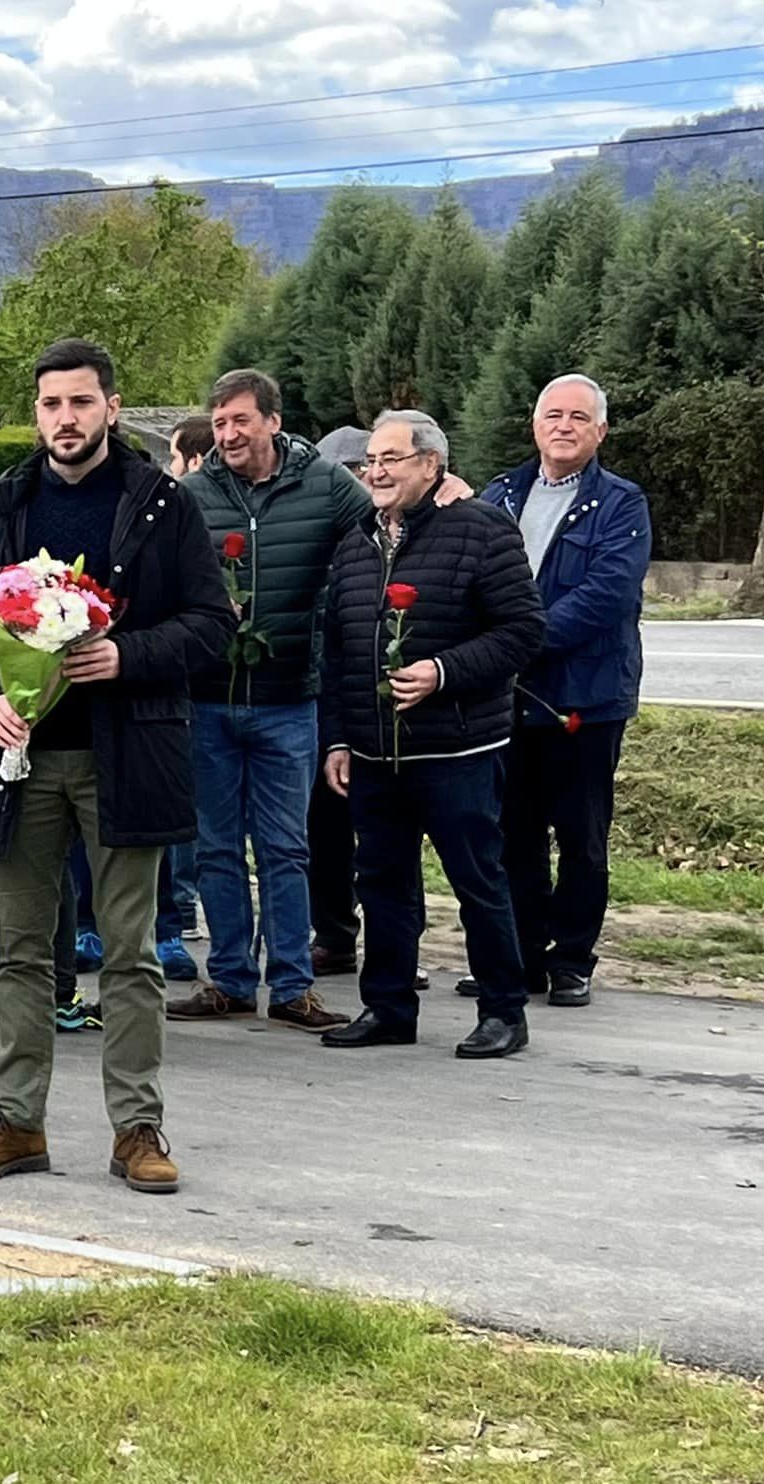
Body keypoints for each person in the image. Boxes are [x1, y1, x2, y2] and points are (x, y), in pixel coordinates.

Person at [0, 337, 233, 1195]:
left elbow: (212, 622)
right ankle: (18, 1122)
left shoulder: (161, 505)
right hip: (19, 762)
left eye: (80, 403)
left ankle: (137, 1127)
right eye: (51, 405)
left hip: (125, 758)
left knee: (131, 955)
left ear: (109, 406)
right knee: (24, 952)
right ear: (37, 414)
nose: (65, 418)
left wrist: (126, 656)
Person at [319, 409, 544, 1060]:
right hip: (372, 750)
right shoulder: (357, 538)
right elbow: (335, 651)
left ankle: (504, 1011)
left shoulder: (480, 529)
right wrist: (338, 738)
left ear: (431, 465)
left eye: (392, 458)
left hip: (457, 748)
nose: (376, 471)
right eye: (371, 461)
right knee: (381, 880)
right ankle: (387, 1007)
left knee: (477, 879)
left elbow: (522, 631)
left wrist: (443, 672)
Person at [172, 370, 362, 1035]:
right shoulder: (191, 494)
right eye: (219, 423)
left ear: (273, 423)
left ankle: (291, 986)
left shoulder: (327, 484)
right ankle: (227, 978)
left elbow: (378, 534)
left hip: (289, 699)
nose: (227, 434)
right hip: (210, 699)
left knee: (286, 847)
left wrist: (447, 496)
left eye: (240, 421)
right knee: (217, 848)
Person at [478, 374, 651, 1009]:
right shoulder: (498, 495)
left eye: (579, 417)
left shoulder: (622, 504)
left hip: (585, 697)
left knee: (580, 835)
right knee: (512, 831)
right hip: (507, 697)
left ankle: (572, 958)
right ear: (535, 424)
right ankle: (521, 957)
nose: (564, 426)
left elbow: (607, 595)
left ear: (600, 431)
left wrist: (515, 639)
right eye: (553, 414)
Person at [154, 415, 214, 982]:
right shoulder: (165, 502)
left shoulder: (172, 510)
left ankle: (172, 923)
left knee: (176, 821)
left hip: (173, 694)